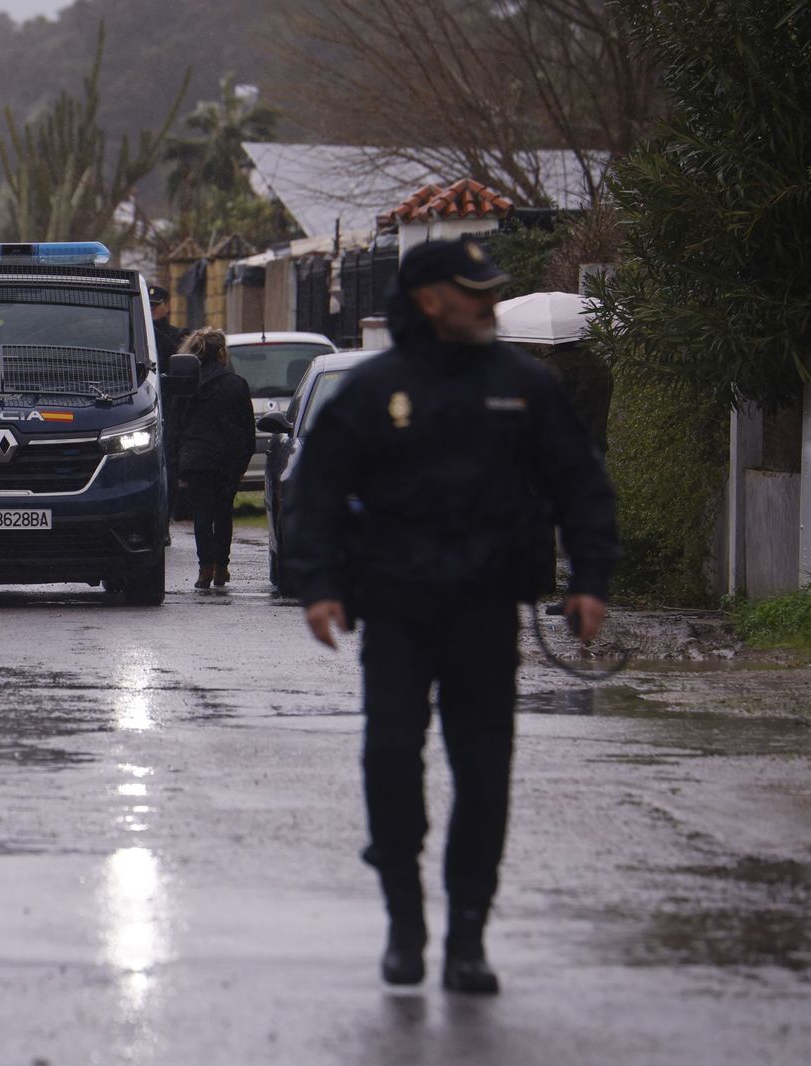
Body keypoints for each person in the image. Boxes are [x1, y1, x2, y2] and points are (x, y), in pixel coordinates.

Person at [282, 238, 618, 994]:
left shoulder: (525, 386)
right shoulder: (375, 389)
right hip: (396, 607)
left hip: (486, 608)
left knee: (484, 772)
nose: (490, 306)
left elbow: (580, 482)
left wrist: (591, 580)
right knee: (392, 758)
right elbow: (319, 493)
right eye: (476, 293)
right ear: (432, 300)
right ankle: (406, 921)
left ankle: (468, 933)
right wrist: (318, 584)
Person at [176, 327, 255, 589]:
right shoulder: (236, 384)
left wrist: (178, 463)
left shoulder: (186, 385)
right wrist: (242, 463)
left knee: (201, 513)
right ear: (222, 352)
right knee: (223, 513)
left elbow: (176, 426)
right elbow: (246, 428)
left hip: (196, 459)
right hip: (226, 460)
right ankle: (222, 567)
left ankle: (204, 568)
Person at [151, 284, 192, 519]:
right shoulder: (132, 334)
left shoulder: (177, 337)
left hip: (172, 407)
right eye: (150, 307)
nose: (153, 310)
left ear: (167, 307)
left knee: (171, 463)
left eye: (157, 306)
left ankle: (168, 517)